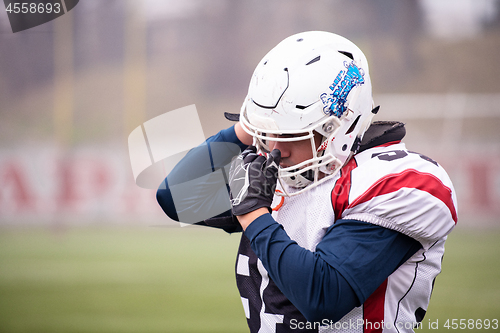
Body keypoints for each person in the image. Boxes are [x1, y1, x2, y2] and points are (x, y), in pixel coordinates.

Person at [157, 31, 457, 333]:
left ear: (338, 127)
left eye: (290, 135)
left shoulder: (400, 183)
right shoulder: (279, 166)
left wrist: (253, 214)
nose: (274, 148)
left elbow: (323, 297)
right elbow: (178, 198)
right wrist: (247, 127)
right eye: (267, 133)